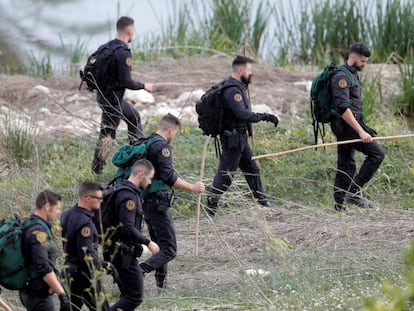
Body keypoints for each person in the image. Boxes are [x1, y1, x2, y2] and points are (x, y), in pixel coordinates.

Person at [205, 55, 280, 217]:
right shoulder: (232, 90)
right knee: (226, 175)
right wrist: (265, 116)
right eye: (249, 70)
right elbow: (242, 114)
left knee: (252, 169)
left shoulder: (238, 86)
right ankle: (210, 208)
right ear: (240, 70)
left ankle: (264, 203)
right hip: (232, 139)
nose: (251, 74)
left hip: (240, 138)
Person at [139, 113, 205, 290]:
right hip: (157, 203)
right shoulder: (162, 147)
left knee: (160, 247)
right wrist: (192, 187)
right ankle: (139, 271)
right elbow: (168, 177)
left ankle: (162, 286)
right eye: (174, 133)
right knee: (169, 249)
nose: (173, 136)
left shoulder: (146, 142)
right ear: (170, 130)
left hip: (145, 202)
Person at [92, 16, 154, 174]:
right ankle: (98, 168)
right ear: (129, 30)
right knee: (107, 135)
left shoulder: (105, 47)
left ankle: (137, 154)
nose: (134, 32)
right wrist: (144, 86)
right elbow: (127, 82)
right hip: (112, 100)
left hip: (104, 97)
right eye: (133, 29)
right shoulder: (123, 52)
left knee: (133, 116)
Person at [330, 42, 385, 211]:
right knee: (377, 154)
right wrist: (361, 131)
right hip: (346, 126)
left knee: (346, 164)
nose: (364, 64)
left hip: (349, 125)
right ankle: (353, 193)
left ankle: (339, 206)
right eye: (363, 61)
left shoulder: (352, 74)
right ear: (353, 57)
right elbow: (343, 108)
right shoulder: (341, 77)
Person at [105, 159, 160, 310]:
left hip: (117, 251)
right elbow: (127, 228)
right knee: (135, 296)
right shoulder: (128, 196)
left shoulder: (123, 190)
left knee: (127, 295)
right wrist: (148, 242)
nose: (149, 183)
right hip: (121, 253)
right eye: (149, 178)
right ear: (141, 174)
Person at [61, 182, 112, 311]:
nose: (101, 201)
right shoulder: (85, 223)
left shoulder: (67, 215)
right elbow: (86, 255)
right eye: (99, 199)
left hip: (69, 273)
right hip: (85, 276)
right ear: (88, 198)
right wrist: (104, 264)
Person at [20, 190, 70, 311]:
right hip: (38, 294)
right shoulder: (38, 231)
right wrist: (62, 294)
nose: (59, 212)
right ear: (47, 206)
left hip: (29, 291)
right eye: (57, 208)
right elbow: (43, 267)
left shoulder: (29, 223)